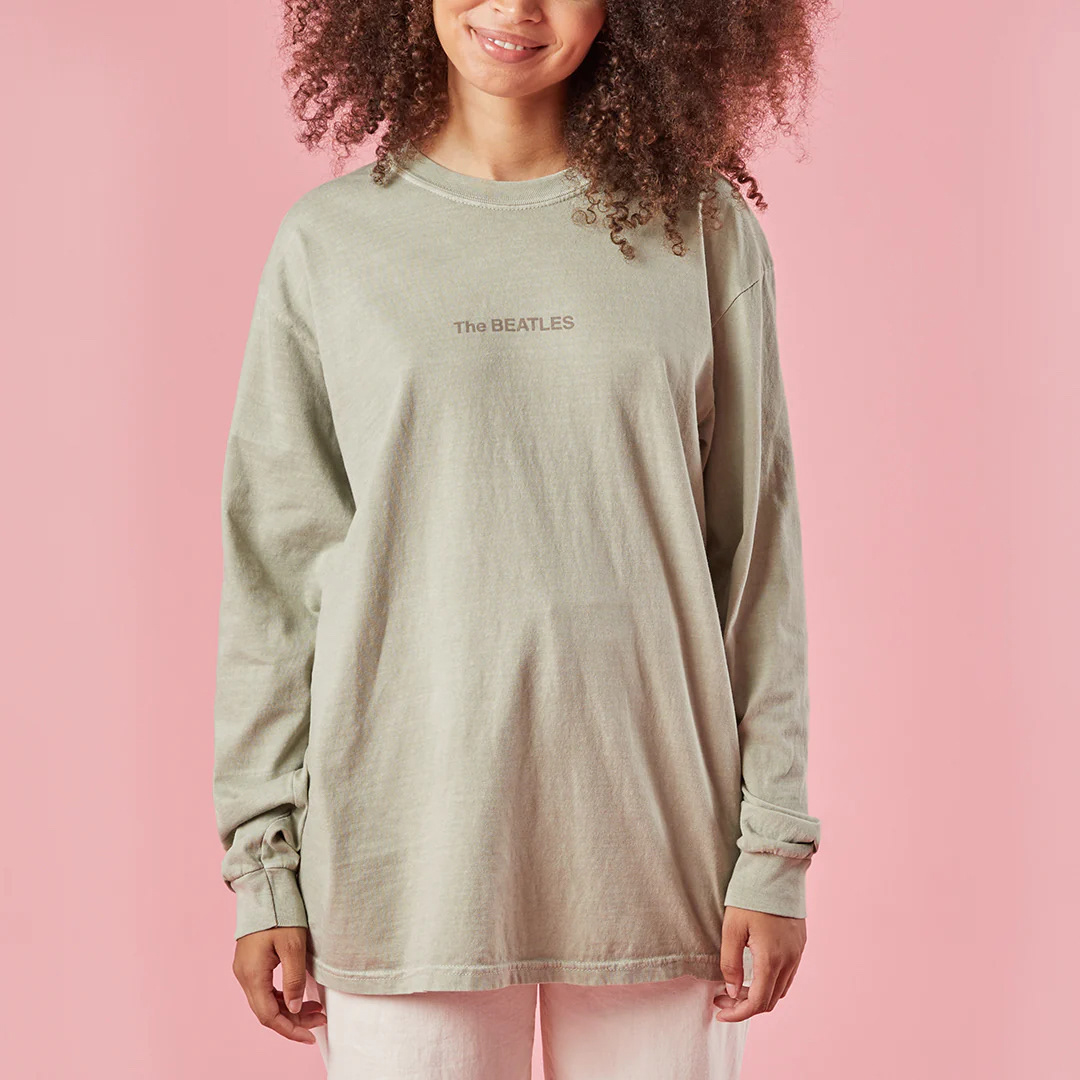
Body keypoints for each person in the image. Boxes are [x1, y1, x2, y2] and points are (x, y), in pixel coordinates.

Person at [212, 1, 829, 1076]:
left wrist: (773, 847)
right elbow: (274, 573)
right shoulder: (330, 244)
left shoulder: (703, 230)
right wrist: (263, 865)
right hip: (406, 849)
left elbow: (756, 557)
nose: (515, 7)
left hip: (658, 845)